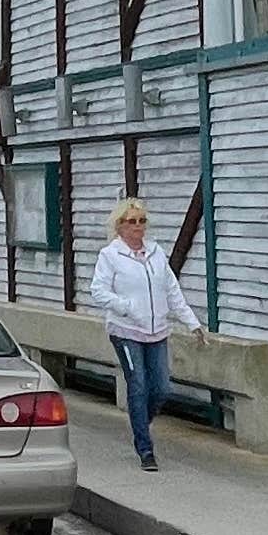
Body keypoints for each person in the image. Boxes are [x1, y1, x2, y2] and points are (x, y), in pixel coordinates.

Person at [86, 199, 190, 470]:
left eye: (142, 221)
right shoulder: (110, 256)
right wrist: (126, 307)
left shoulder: (156, 253)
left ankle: (141, 419)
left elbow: (172, 290)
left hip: (157, 330)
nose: (138, 227)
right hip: (126, 330)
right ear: (120, 225)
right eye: (132, 221)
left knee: (161, 388)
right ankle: (145, 449)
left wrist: (192, 322)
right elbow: (98, 291)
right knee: (139, 384)